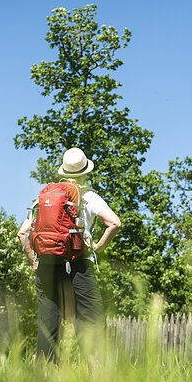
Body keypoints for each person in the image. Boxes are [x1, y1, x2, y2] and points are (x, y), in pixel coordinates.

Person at [18, 147, 121, 358]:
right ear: (85, 172)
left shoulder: (44, 197)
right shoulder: (88, 196)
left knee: (48, 323)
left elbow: (22, 234)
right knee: (90, 321)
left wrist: (33, 261)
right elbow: (114, 223)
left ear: (64, 171)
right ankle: (96, 377)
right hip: (79, 263)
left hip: (47, 264)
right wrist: (98, 248)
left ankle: (45, 376)